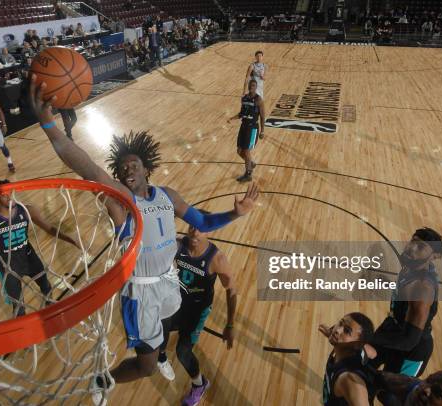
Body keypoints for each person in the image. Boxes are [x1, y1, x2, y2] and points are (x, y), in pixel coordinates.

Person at [28, 75, 259, 406]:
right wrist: (50, 127)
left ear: (147, 168)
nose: (126, 171)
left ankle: (160, 351)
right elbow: (89, 168)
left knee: (168, 326)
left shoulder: (168, 195)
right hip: (140, 291)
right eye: (122, 169)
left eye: (132, 165)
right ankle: (104, 378)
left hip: (168, 280)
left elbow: (205, 221)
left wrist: (235, 214)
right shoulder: (122, 201)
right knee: (146, 367)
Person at [0, 179, 81, 316]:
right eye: (4, 195)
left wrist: (70, 238)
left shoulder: (27, 210)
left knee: (46, 286)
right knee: (18, 307)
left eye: (11, 192)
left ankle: (51, 309)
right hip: (8, 268)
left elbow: (49, 228)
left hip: (28, 257)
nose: (9, 197)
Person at [156, 213, 238, 404]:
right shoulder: (179, 245)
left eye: (201, 228)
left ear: (209, 230)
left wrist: (230, 324)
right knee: (159, 324)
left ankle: (199, 384)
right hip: (178, 301)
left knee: (183, 352)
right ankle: (160, 357)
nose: (194, 232)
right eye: (192, 226)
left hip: (197, 311)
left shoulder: (216, 258)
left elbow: (232, 289)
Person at [370, 228, 442, 405]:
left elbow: (409, 340)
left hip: (413, 348)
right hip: (395, 327)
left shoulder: (422, 287)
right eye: (413, 241)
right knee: (364, 368)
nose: (412, 248)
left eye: (421, 246)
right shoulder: (413, 266)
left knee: (389, 397)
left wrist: (369, 337)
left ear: (435, 255)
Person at [318, 313, 376, 405]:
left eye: (347, 331)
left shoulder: (349, 379)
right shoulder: (349, 349)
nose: (338, 330)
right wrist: (330, 334)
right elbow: (373, 353)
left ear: (357, 345)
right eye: (341, 323)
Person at [227, 79, 265, 182]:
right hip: (243, 126)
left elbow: (262, 116)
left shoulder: (259, 100)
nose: (251, 87)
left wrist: (262, 131)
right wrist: (232, 118)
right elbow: (241, 113)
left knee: (246, 151)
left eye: (253, 85)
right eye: (250, 85)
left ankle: (248, 174)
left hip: (253, 128)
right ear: (248, 86)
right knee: (239, 151)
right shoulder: (244, 98)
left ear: (256, 87)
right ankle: (251, 164)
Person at [372, 369, 442, 406]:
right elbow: (374, 377)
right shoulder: (407, 384)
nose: (426, 390)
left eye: (438, 394)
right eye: (428, 381)